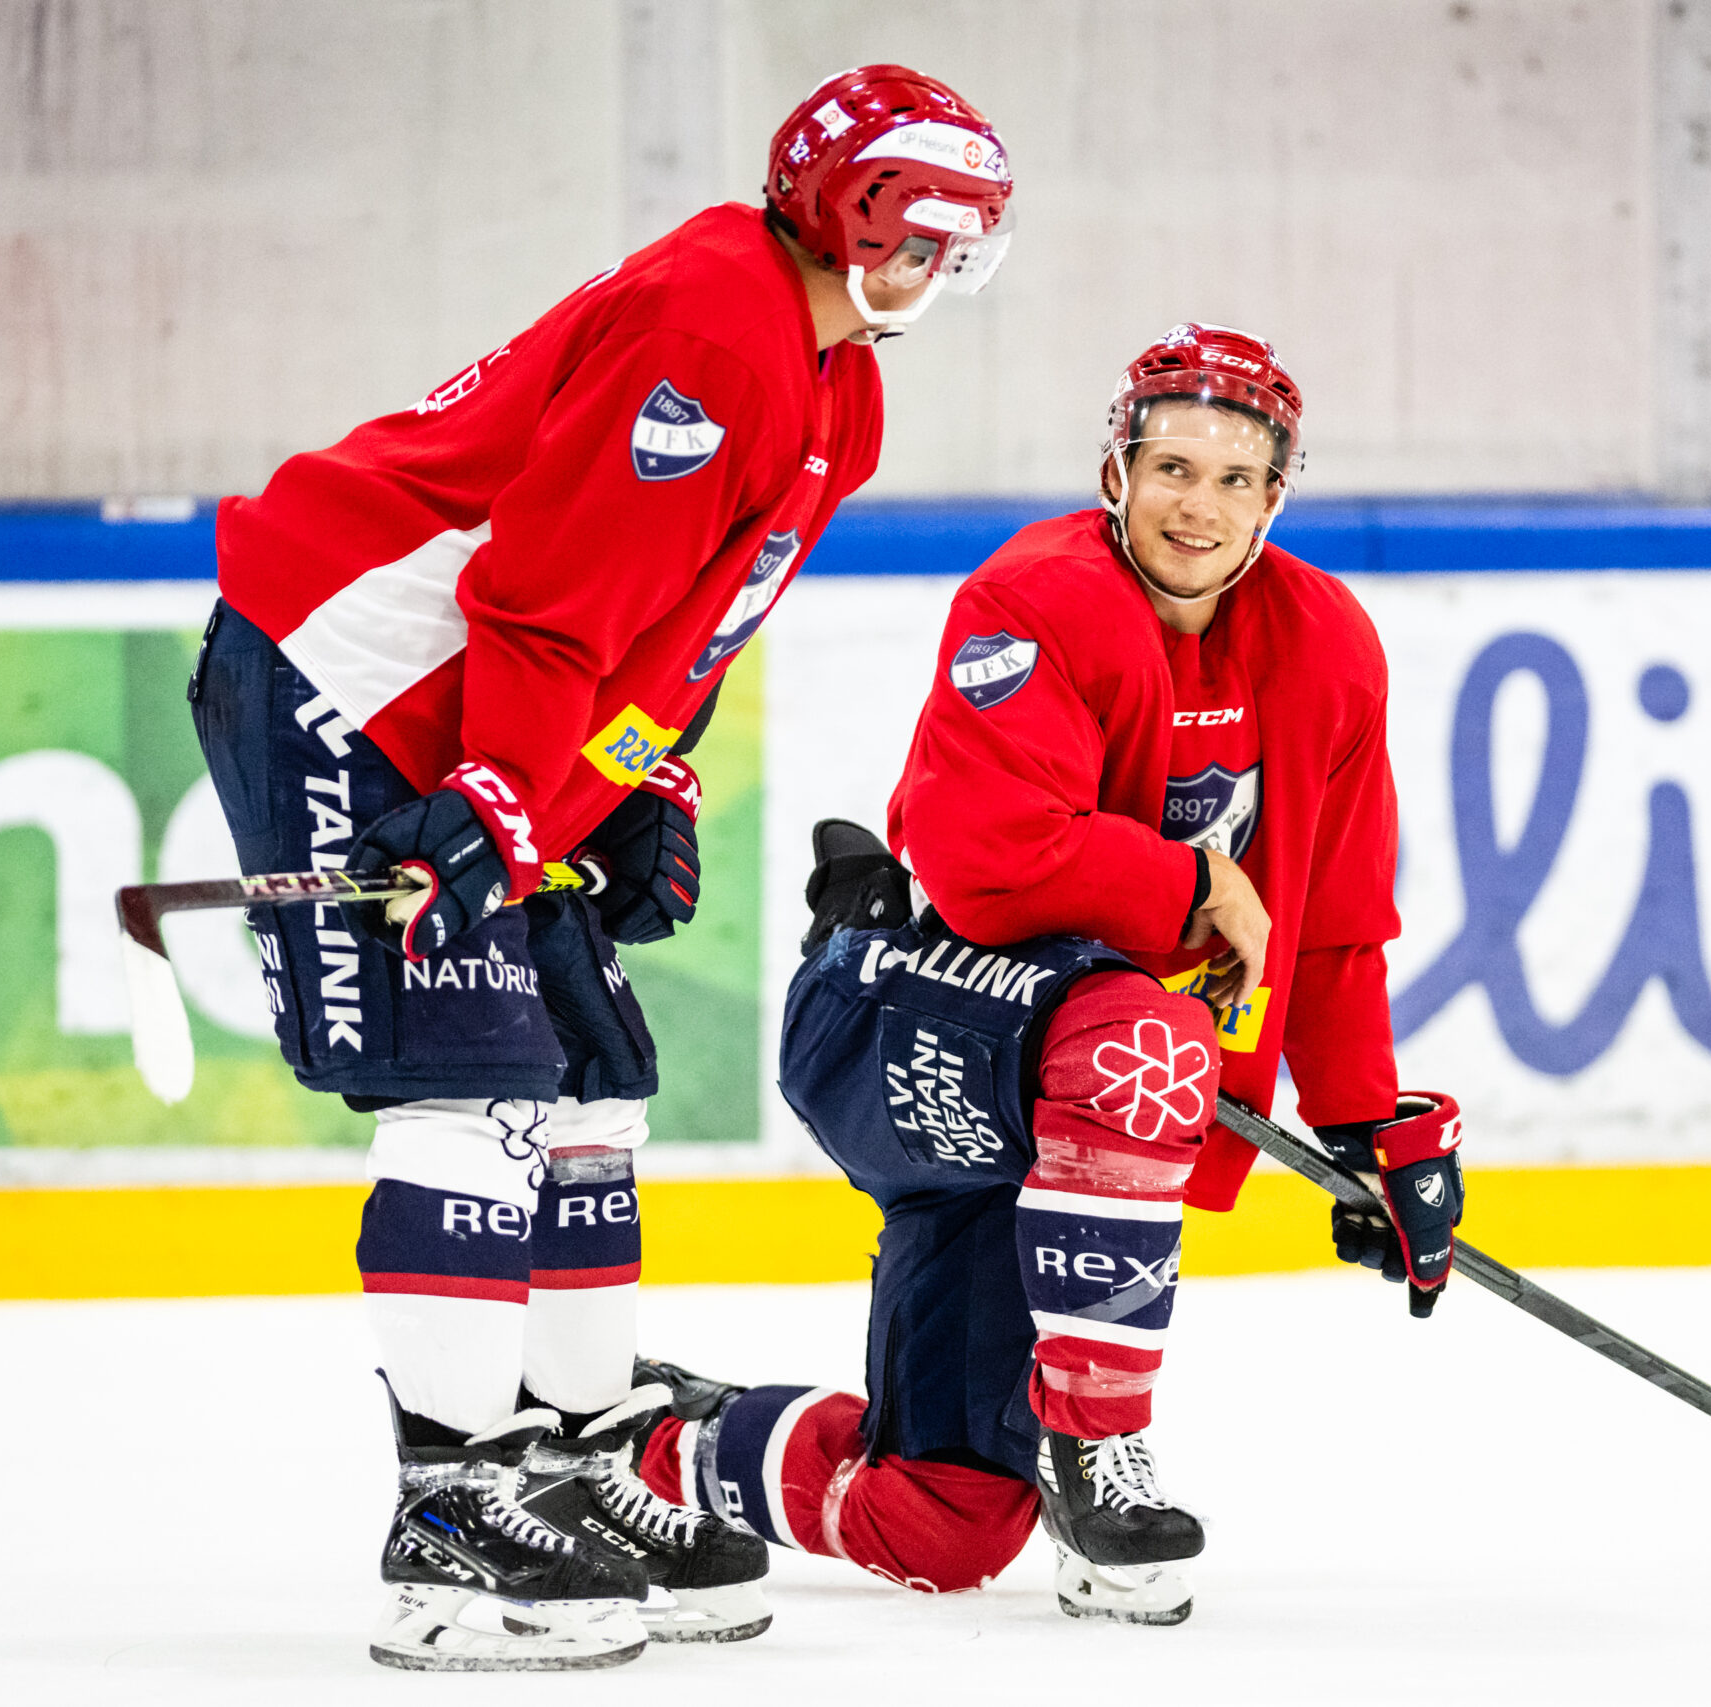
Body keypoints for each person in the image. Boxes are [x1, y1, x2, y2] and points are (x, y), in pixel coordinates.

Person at [186, 65, 1015, 1671]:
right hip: (349, 678)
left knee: (587, 1069)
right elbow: (543, 600)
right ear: (839, 207)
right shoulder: (715, 327)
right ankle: (451, 1505)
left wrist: (632, 778)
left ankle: (566, 1448)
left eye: (962, 244)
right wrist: (507, 793)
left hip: (489, 718)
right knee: (479, 1070)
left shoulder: (839, 384)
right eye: (915, 231)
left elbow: (682, 627)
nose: (935, 269)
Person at [621, 324, 1467, 1624]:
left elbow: (1337, 925)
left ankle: (642, 1442)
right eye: (1172, 467)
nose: (1201, 504)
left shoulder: (1326, 647)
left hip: (1074, 1106)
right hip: (901, 1026)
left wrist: (1367, 1125)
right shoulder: (1041, 595)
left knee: (942, 1524)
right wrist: (1195, 886)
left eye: (1236, 480)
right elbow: (979, 862)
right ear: (1115, 471)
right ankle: (1100, 1454)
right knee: (1143, 1037)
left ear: (1275, 499)